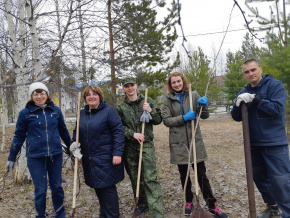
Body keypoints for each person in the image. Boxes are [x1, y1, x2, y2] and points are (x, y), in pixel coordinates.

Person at [161, 72, 228, 217]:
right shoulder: (167, 100)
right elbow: (166, 120)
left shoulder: (194, 95)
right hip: (178, 143)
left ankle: (211, 205)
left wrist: (204, 106)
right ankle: (189, 201)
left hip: (194, 141)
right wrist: (183, 118)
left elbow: (204, 115)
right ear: (170, 85)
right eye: (174, 82)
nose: (177, 84)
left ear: (183, 81)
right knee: (184, 175)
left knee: (201, 174)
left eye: (179, 81)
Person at [231, 59, 290, 218]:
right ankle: (272, 208)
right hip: (253, 145)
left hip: (274, 144)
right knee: (259, 178)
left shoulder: (275, 86)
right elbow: (236, 117)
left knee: (281, 181)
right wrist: (238, 104)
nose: (250, 74)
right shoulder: (243, 91)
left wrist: (255, 100)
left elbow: (277, 110)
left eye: (253, 70)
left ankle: (287, 213)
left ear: (260, 69)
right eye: (246, 72)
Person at [5, 82, 71, 218]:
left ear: (47, 95)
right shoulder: (25, 113)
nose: (39, 96)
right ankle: (40, 214)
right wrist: (11, 157)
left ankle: (60, 213)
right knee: (40, 189)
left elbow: (63, 131)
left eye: (42, 93)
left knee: (57, 187)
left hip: (55, 155)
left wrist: (71, 147)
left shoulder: (56, 111)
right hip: (35, 157)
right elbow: (19, 136)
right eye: (36, 94)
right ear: (31, 96)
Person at [70, 85, 125, 218]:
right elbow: (77, 132)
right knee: (98, 188)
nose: (91, 97)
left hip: (106, 158)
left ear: (100, 96)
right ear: (85, 98)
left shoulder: (109, 112)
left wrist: (117, 153)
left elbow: (118, 133)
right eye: (88, 95)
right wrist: (74, 146)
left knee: (107, 188)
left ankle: (112, 215)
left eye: (94, 94)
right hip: (89, 158)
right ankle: (104, 214)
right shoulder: (82, 113)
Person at [116, 77, 164, 218]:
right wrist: (132, 134)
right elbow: (118, 127)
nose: (130, 88)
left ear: (136, 86)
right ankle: (142, 204)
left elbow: (158, 120)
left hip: (146, 145)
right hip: (130, 147)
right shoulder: (120, 107)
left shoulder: (147, 101)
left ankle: (157, 211)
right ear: (124, 89)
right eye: (127, 86)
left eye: (132, 85)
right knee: (135, 177)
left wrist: (150, 111)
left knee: (150, 177)